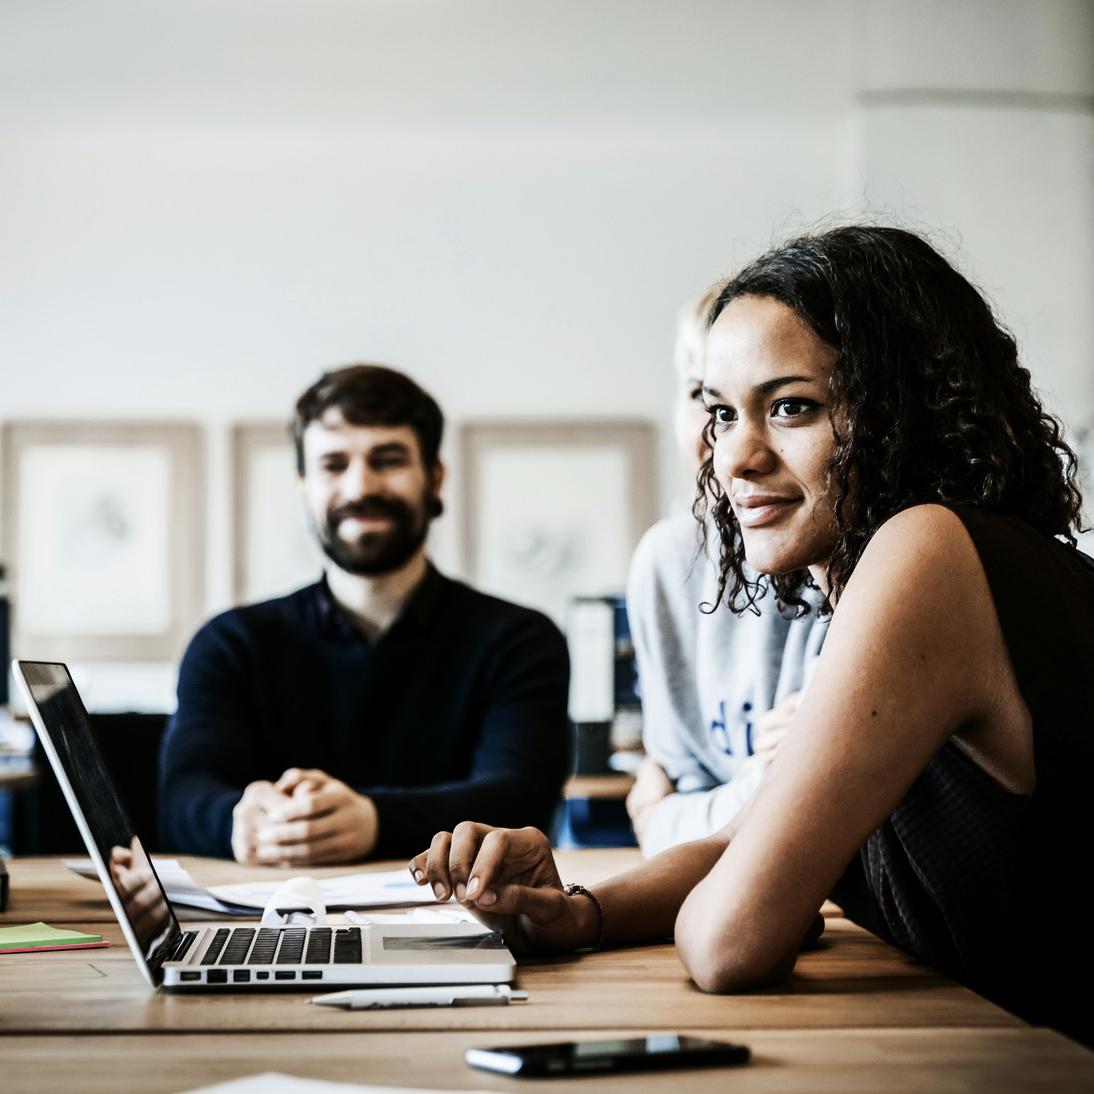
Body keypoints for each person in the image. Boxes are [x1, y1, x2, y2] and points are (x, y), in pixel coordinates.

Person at [408, 226, 1093, 1046]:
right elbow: (747, 838)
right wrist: (577, 915)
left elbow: (728, 942)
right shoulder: (945, 561)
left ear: (898, 409)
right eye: (721, 412)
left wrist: (774, 898)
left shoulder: (929, 550)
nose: (735, 455)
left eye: (792, 406)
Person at [159, 364, 570, 864]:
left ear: (434, 478)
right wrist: (242, 822)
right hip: (270, 926)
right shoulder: (230, 644)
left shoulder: (519, 640)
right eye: (333, 464)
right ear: (304, 487)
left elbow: (520, 797)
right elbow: (181, 798)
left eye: (388, 459)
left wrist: (374, 821)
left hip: (461, 924)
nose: (360, 487)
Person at [625, 284, 829, 854]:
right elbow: (678, 776)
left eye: (785, 405)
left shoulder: (844, 557)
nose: (733, 446)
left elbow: (808, 807)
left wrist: (667, 821)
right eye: (709, 402)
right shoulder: (667, 562)